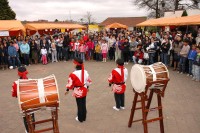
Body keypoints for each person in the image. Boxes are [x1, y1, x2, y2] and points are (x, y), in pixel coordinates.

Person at [65, 58, 92, 122]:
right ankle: (84, 117)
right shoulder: (85, 71)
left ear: (75, 64)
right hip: (84, 88)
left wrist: (67, 90)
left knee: (79, 104)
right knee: (83, 103)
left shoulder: (73, 74)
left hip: (77, 90)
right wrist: (87, 88)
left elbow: (70, 83)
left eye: (73, 63)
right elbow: (88, 81)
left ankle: (80, 118)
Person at [11, 66, 35, 133]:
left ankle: (28, 130)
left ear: (18, 74)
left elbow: (14, 94)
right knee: (32, 114)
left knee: (25, 117)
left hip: (22, 104)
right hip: (32, 102)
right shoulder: (31, 80)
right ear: (26, 72)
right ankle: (33, 128)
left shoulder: (15, 83)